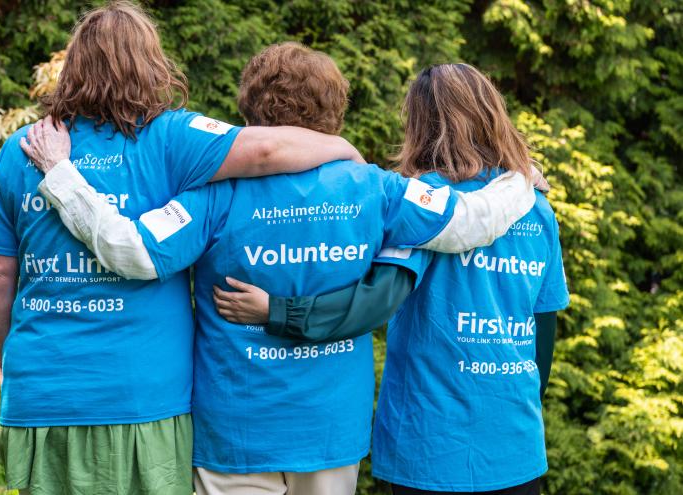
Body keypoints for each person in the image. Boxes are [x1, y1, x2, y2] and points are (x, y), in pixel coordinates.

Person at [22, 44, 541, 495]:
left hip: (235, 429)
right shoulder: (374, 188)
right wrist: (520, 177)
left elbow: (131, 249)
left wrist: (63, 177)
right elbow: (473, 219)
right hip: (331, 430)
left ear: (249, 110)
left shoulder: (212, 194)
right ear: (335, 110)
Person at [0, 3, 372, 494]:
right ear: (150, 63)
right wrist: (344, 150)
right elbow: (266, 151)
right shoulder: (172, 138)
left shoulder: (23, 148)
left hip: (45, 388)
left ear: (73, 66)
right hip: (146, 391)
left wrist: (5, 361)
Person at [215, 64, 570, 495]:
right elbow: (543, 329)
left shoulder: (421, 205)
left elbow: (375, 301)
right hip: (516, 441)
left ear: (420, 125)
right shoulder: (538, 210)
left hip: (429, 444)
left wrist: (280, 311)